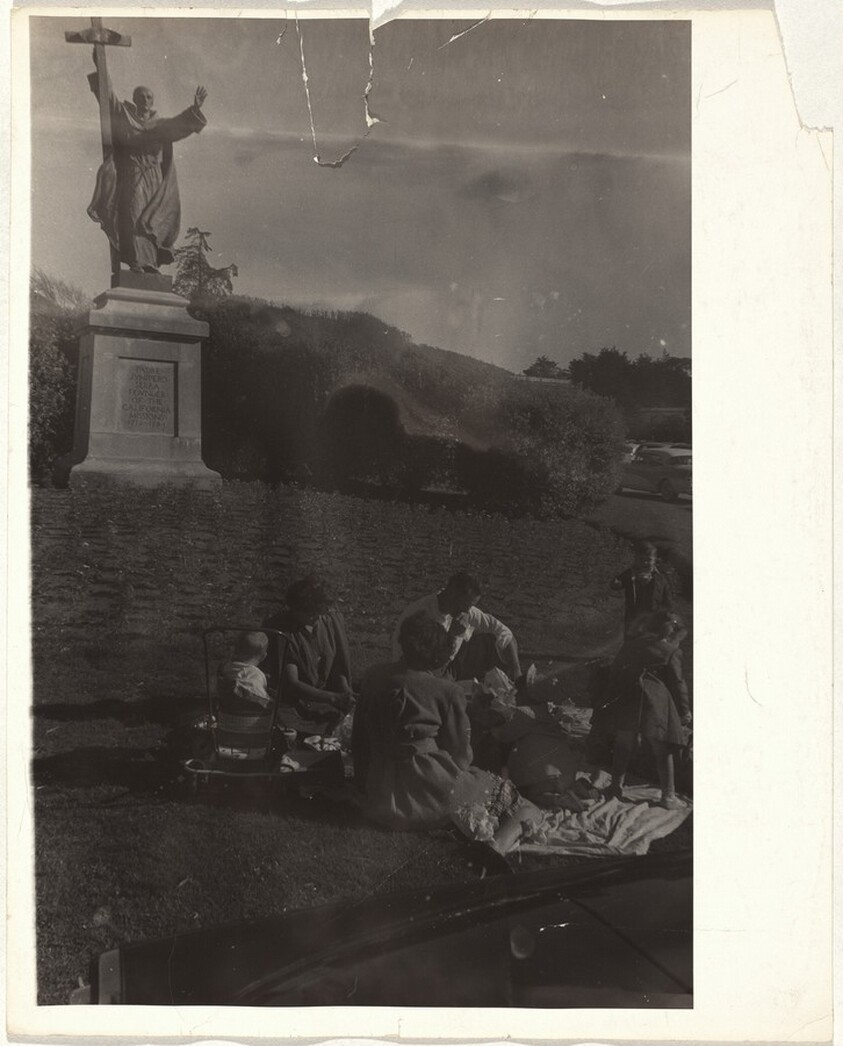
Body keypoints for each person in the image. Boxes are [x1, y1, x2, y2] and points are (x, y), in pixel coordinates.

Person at [354, 612, 541, 851]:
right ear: (439, 654)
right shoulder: (447, 691)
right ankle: (498, 846)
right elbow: (461, 757)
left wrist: (363, 785)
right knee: (520, 804)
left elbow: (359, 738)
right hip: (427, 792)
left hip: (379, 793)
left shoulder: (373, 675)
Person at [87, 48, 207, 274]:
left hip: (154, 179)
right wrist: (100, 63)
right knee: (133, 215)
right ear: (134, 99)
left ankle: (149, 264)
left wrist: (194, 109)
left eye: (149, 97)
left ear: (153, 101)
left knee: (151, 219)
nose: (145, 100)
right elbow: (108, 95)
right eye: (141, 96)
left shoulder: (160, 125)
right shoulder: (124, 115)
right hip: (132, 176)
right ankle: (135, 263)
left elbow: (179, 125)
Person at [592, 611, 692, 809]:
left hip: (627, 698)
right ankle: (668, 796)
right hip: (654, 703)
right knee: (662, 748)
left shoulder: (630, 645)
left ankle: (615, 787)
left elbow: (615, 671)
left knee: (623, 744)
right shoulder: (671, 652)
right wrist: (684, 711)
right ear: (673, 635)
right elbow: (677, 683)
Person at [392, 572, 522, 683]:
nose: (468, 610)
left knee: (490, 639)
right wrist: (452, 636)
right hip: (425, 674)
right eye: (467, 604)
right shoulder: (421, 616)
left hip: (451, 665)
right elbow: (423, 669)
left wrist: (516, 670)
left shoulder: (463, 611)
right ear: (452, 594)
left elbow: (503, 631)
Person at [263, 574, 354, 733]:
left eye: (319, 614)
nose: (316, 618)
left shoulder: (329, 622)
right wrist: (333, 698)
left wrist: (345, 692)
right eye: (310, 614)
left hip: (325, 698)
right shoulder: (282, 630)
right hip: (293, 703)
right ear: (295, 610)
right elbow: (292, 684)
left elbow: (338, 669)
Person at [611, 541, 674, 636]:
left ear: (655, 560)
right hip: (634, 616)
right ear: (636, 559)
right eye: (641, 559)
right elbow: (618, 584)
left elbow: (667, 598)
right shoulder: (629, 574)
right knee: (632, 642)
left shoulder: (661, 578)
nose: (645, 562)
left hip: (654, 617)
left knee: (652, 644)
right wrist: (616, 584)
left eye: (649, 560)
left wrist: (668, 612)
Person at [217, 632, 273, 714]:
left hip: (225, 714)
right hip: (248, 718)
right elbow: (257, 697)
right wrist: (271, 701)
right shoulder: (255, 675)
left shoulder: (227, 667)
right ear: (263, 656)